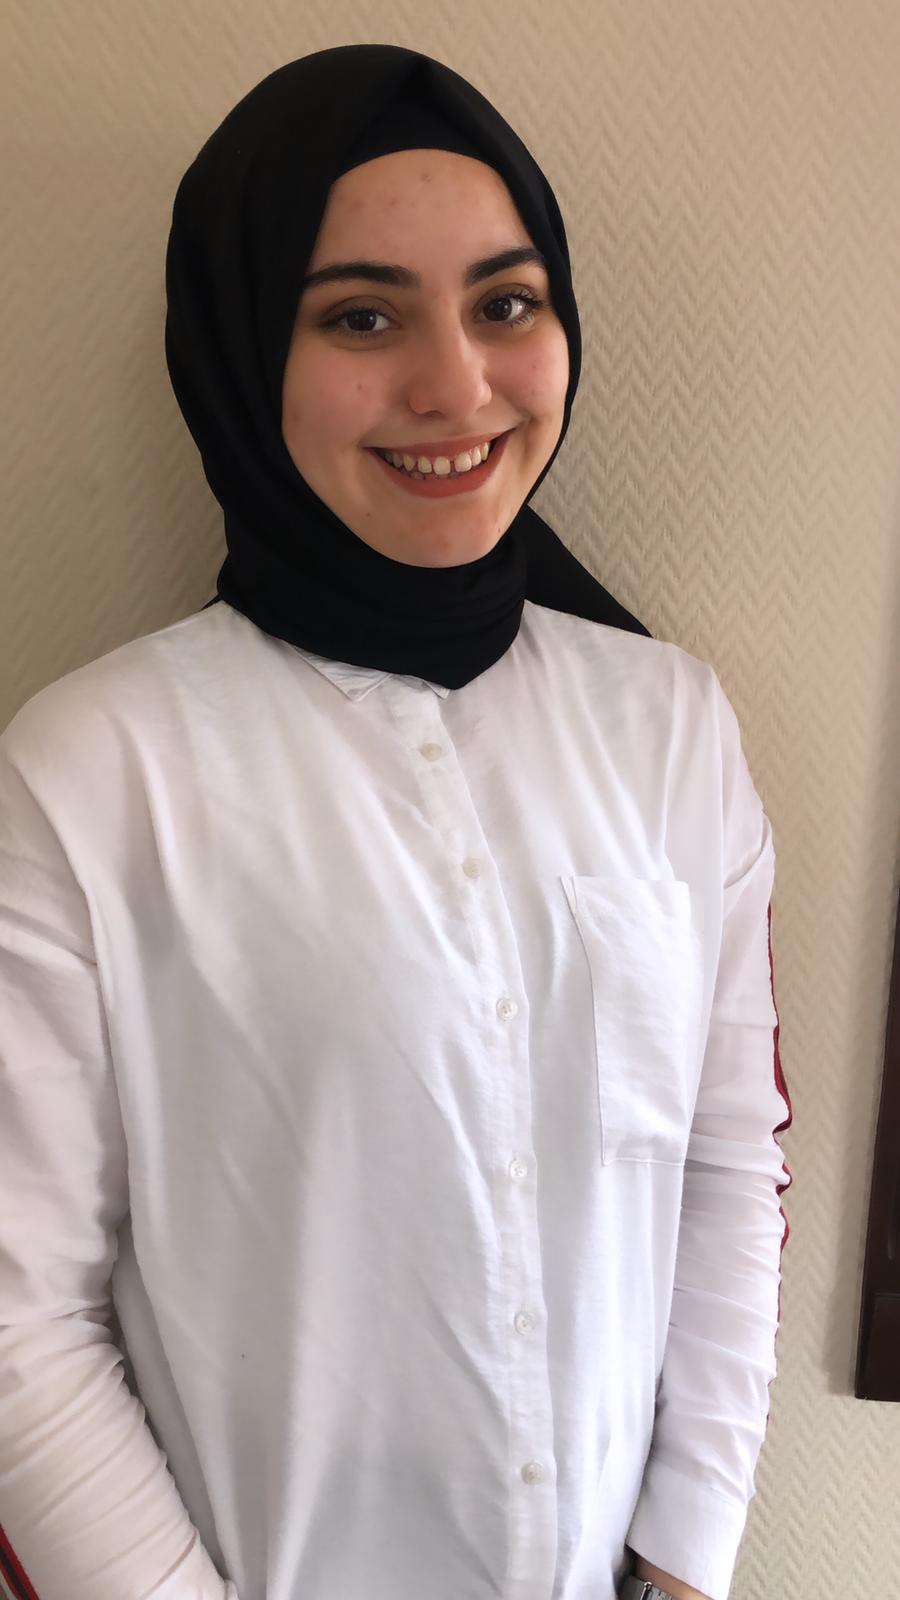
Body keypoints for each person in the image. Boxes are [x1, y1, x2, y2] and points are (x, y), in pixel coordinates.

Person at [0, 43, 793, 1600]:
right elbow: (18, 1312)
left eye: (507, 304)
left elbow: (727, 1161)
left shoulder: (671, 727)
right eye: (362, 317)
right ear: (242, 349)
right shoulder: (89, 773)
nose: (457, 388)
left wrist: (687, 1554)